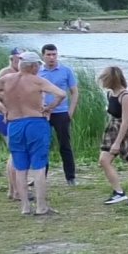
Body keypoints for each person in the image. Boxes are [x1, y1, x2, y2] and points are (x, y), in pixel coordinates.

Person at [0, 52, 67, 216]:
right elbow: (61, 94)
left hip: (14, 123)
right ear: (33, 66)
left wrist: (2, 109)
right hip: (35, 123)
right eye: (38, 65)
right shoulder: (37, 80)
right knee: (39, 166)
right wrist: (50, 107)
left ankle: (25, 207)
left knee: (20, 166)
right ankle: (41, 206)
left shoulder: (7, 79)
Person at [96, 66, 128, 205]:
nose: (102, 82)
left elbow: (126, 121)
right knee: (104, 160)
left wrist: (117, 143)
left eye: (104, 79)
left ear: (111, 80)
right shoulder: (111, 94)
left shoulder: (126, 97)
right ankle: (118, 192)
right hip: (113, 129)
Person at [39, 43, 80, 185]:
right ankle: (41, 177)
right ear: (43, 56)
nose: (52, 58)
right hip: (43, 113)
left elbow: (74, 92)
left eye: (54, 54)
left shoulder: (65, 71)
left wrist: (71, 111)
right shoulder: (38, 71)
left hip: (61, 113)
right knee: (43, 145)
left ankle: (70, 177)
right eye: (48, 55)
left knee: (65, 145)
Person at [0, 47, 27, 201]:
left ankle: (13, 190)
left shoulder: (24, 74)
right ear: (11, 58)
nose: (19, 61)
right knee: (16, 153)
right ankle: (15, 191)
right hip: (6, 118)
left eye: (22, 58)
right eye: (17, 58)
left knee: (14, 153)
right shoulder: (6, 73)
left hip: (18, 118)